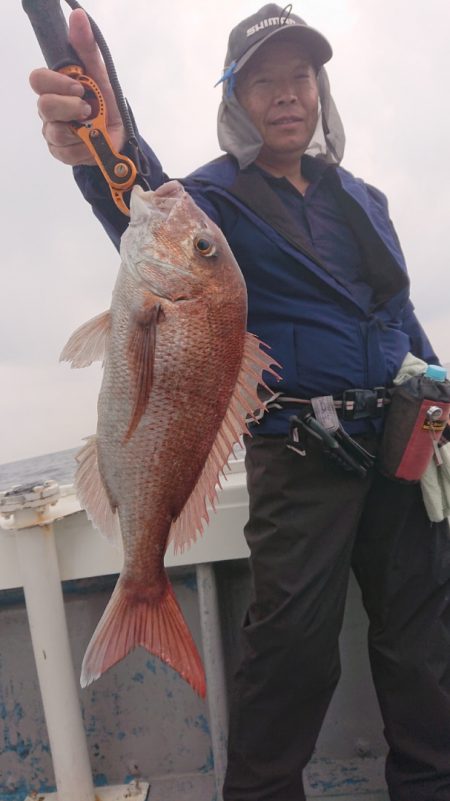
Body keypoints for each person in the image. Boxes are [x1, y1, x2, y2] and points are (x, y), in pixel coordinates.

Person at [30, 5, 450, 800]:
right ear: (237, 98)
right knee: (291, 653)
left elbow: (395, 314)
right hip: (302, 452)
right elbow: (137, 198)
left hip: (401, 448)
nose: (287, 95)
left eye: (301, 77)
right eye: (265, 80)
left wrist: (434, 385)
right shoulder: (211, 199)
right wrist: (103, 144)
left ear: (321, 91)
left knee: (420, 646)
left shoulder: (363, 198)